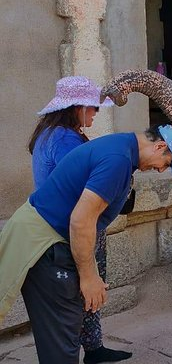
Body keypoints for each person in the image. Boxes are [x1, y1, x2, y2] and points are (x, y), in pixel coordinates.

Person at [0, 124, 172, 364]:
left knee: (61, 331)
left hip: (44, 231)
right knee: (63, 330)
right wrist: (89, 277)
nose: (162, 170)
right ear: (160, 146)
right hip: (43, 239)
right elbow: (81, 221)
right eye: (167, 163)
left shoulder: (122, 149)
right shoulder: (118, 160)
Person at [28, 76, 131, 363]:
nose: (97, 112)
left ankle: (94, 348)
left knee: (89, 293)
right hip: (72, 230)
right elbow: (84, 184)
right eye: (92, 107)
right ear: (76, 107)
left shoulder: (53, 134)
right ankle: (82, 351)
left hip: (65, 225)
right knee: (83, 292)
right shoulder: (63, 138)